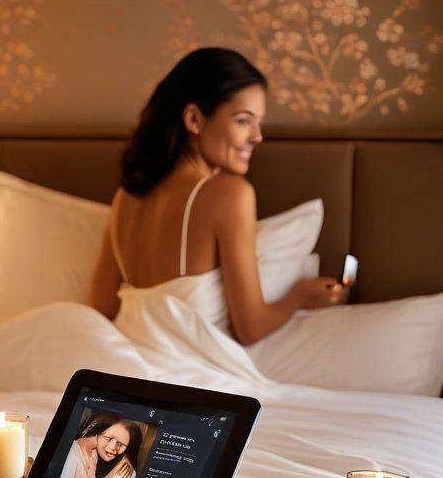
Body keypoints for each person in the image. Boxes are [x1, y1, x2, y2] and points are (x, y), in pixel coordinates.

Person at [90, 47, 344, 345]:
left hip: (121, 368)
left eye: (258, 122)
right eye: (243, 121)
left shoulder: (127, 194)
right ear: (194, 120)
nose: (257, 136)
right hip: (187, 378)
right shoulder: (230, 194)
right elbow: (251, 328)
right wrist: (300, 296)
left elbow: (102, 307)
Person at [57, 414, 145, 478]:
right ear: (100, 430)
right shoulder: (71, 455)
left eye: (120, 444)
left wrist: (127, 458)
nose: (113, 448)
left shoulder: (94, 453)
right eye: (110, 438)